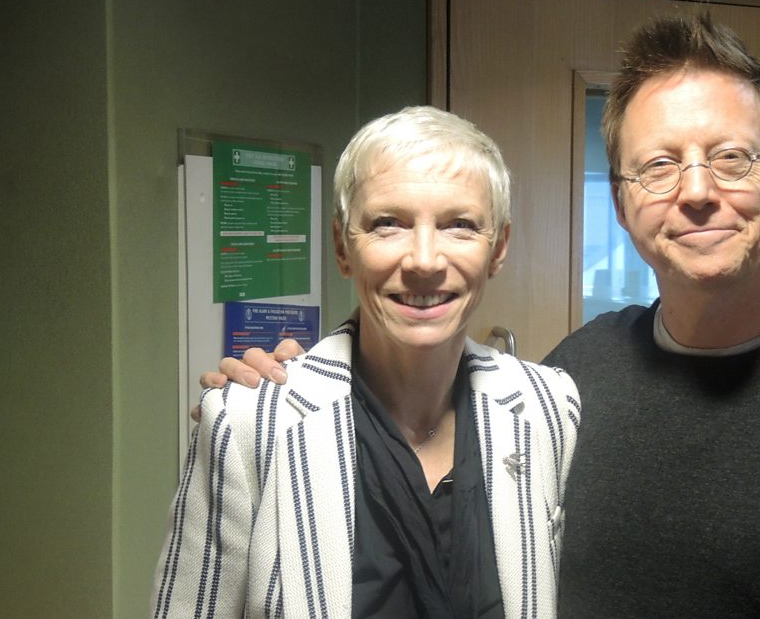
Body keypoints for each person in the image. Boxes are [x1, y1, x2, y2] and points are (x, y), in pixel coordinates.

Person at [210, 14, 760, 617]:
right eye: (659, 165)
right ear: (622, 203)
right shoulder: (575, 375)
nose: (696, 191)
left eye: (730, 158)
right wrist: (292, 392)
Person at [155, 106, 580, 618]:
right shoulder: (248, 422)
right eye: (388, 224)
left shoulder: (549, 409)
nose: (424, 260)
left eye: (460, 225)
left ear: (498, 248)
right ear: (342, 247)